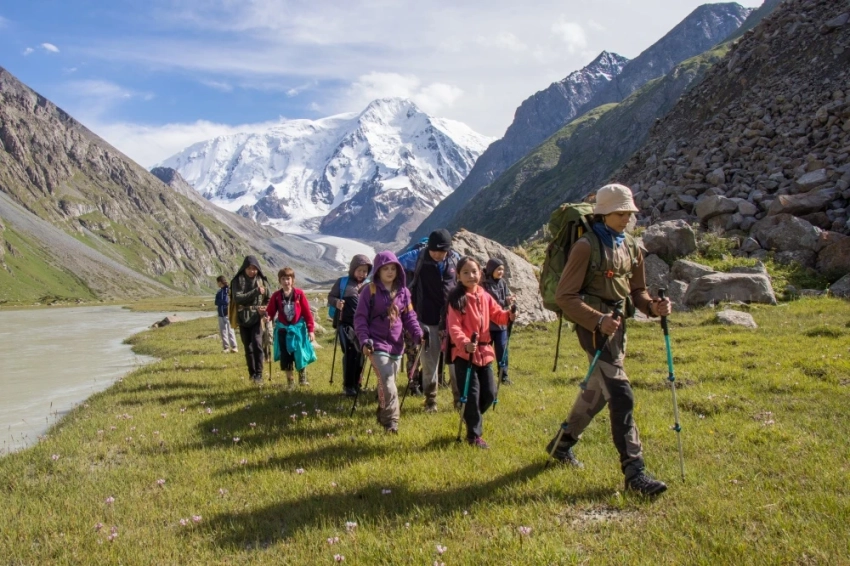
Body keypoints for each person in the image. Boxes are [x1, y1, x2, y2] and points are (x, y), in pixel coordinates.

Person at [546, 183, 672, 496]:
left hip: (617, 329)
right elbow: (564, 296)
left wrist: (653, 308)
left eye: (629, 212)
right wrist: (598, 320)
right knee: (620, 393)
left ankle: (561, 446)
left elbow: (637, 292)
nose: (626, 218)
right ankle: (634, 473)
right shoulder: (585, 247)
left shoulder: (632, 246)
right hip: (593, 330)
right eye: (619, 213)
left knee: (597, 392)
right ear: (604, 213)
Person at [447, 256, 515, 448]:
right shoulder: (456, 299)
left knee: (490, 394)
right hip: (464, 355)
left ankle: (470, 417)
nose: (471, 276)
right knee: (472, 395)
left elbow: (498, 315)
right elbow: (454, 327)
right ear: (458, 275)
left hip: (484, 353)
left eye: (474, 271)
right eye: (466, 272)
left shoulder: (484, 295)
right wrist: (465, 343)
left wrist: (508, 315)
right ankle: (474, 436)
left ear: (481, 273)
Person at [354, 251, 423, 433]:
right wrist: (364, 340)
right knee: (387, 380)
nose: (390, 272)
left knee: (387, 382)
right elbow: (360, 318)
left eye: (393, 268)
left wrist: (418, 334)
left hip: (396, 345)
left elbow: (410, 317)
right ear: (378, 270)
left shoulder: (404, 292)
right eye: (386, 269)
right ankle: (391, 422)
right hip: (375, 344)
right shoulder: (369, 290)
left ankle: (382, 412)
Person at [397, 229, 459, 413]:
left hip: (451, 319)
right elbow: (391, 265)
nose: (438, 255)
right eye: (434, 251)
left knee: (455, 364)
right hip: (425, 319)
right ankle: (430, 401)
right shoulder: (417, 257)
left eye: (442, 251)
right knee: (430, 363)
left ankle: (459, 401)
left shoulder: (455, 258)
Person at [327, 255, 372, 397]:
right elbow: (331, 297)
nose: (362, 274)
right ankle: (348, 386)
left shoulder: (368, 285)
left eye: (365, 271)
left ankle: (357, 384)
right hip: (345, 324)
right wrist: (336, 303)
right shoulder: (342, 282)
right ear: (353, 269)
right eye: (359, 270)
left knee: (361, 354)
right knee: (351, 351)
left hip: (362, 326)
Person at [266, 267, 316, 388]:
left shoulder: (299, 294)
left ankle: (302, 380)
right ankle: (290, 382)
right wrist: (267, 317)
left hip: (298, 330)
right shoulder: (276, 296)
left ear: (292, 280)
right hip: (283, 330)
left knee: (300, 354)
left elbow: (307, 313)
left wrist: (310, 330)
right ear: (279, 280)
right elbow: (270, 311)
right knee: (286, 356)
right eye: (283, 279)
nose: (286, 281)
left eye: (288, 279)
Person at [231, 256, 270, 383]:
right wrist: (255, 292)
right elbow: (237, 298)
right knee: (248, 347)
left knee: (257, 344)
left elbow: (268, 299)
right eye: (249, 268)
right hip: (243, 317)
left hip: (257, 318)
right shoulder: (237, 280)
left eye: (254, 269)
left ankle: (259, 374)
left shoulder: (262, 281)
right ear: (244, 268)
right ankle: (252, 374)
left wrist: (265, 308)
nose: (252, 271)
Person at [482, 259, 514, 385]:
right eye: (498, 269)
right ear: (491, 270)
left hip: (501, 325)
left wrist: (509, 300)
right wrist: (505, 301)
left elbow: (506, 297)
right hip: (488, 325)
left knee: (502, 350)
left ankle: (503, 376)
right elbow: (489, 303)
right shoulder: (484, 284)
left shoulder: (503, 283)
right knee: (486, 351)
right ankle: (486, 375)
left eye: (502, 269)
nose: (501, 272)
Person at [215, 275, 239, 354]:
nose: (217, 284)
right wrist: (222, 302)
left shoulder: (228, 290)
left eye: (217, 282)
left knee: (230, 330)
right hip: (220, 314)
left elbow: (227, 301)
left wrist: (221, 302)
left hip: (228, 313)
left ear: (220, 282)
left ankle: (234, 347)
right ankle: (226, 347)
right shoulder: (219, 292)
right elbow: (216, 302)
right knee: (223, 331)